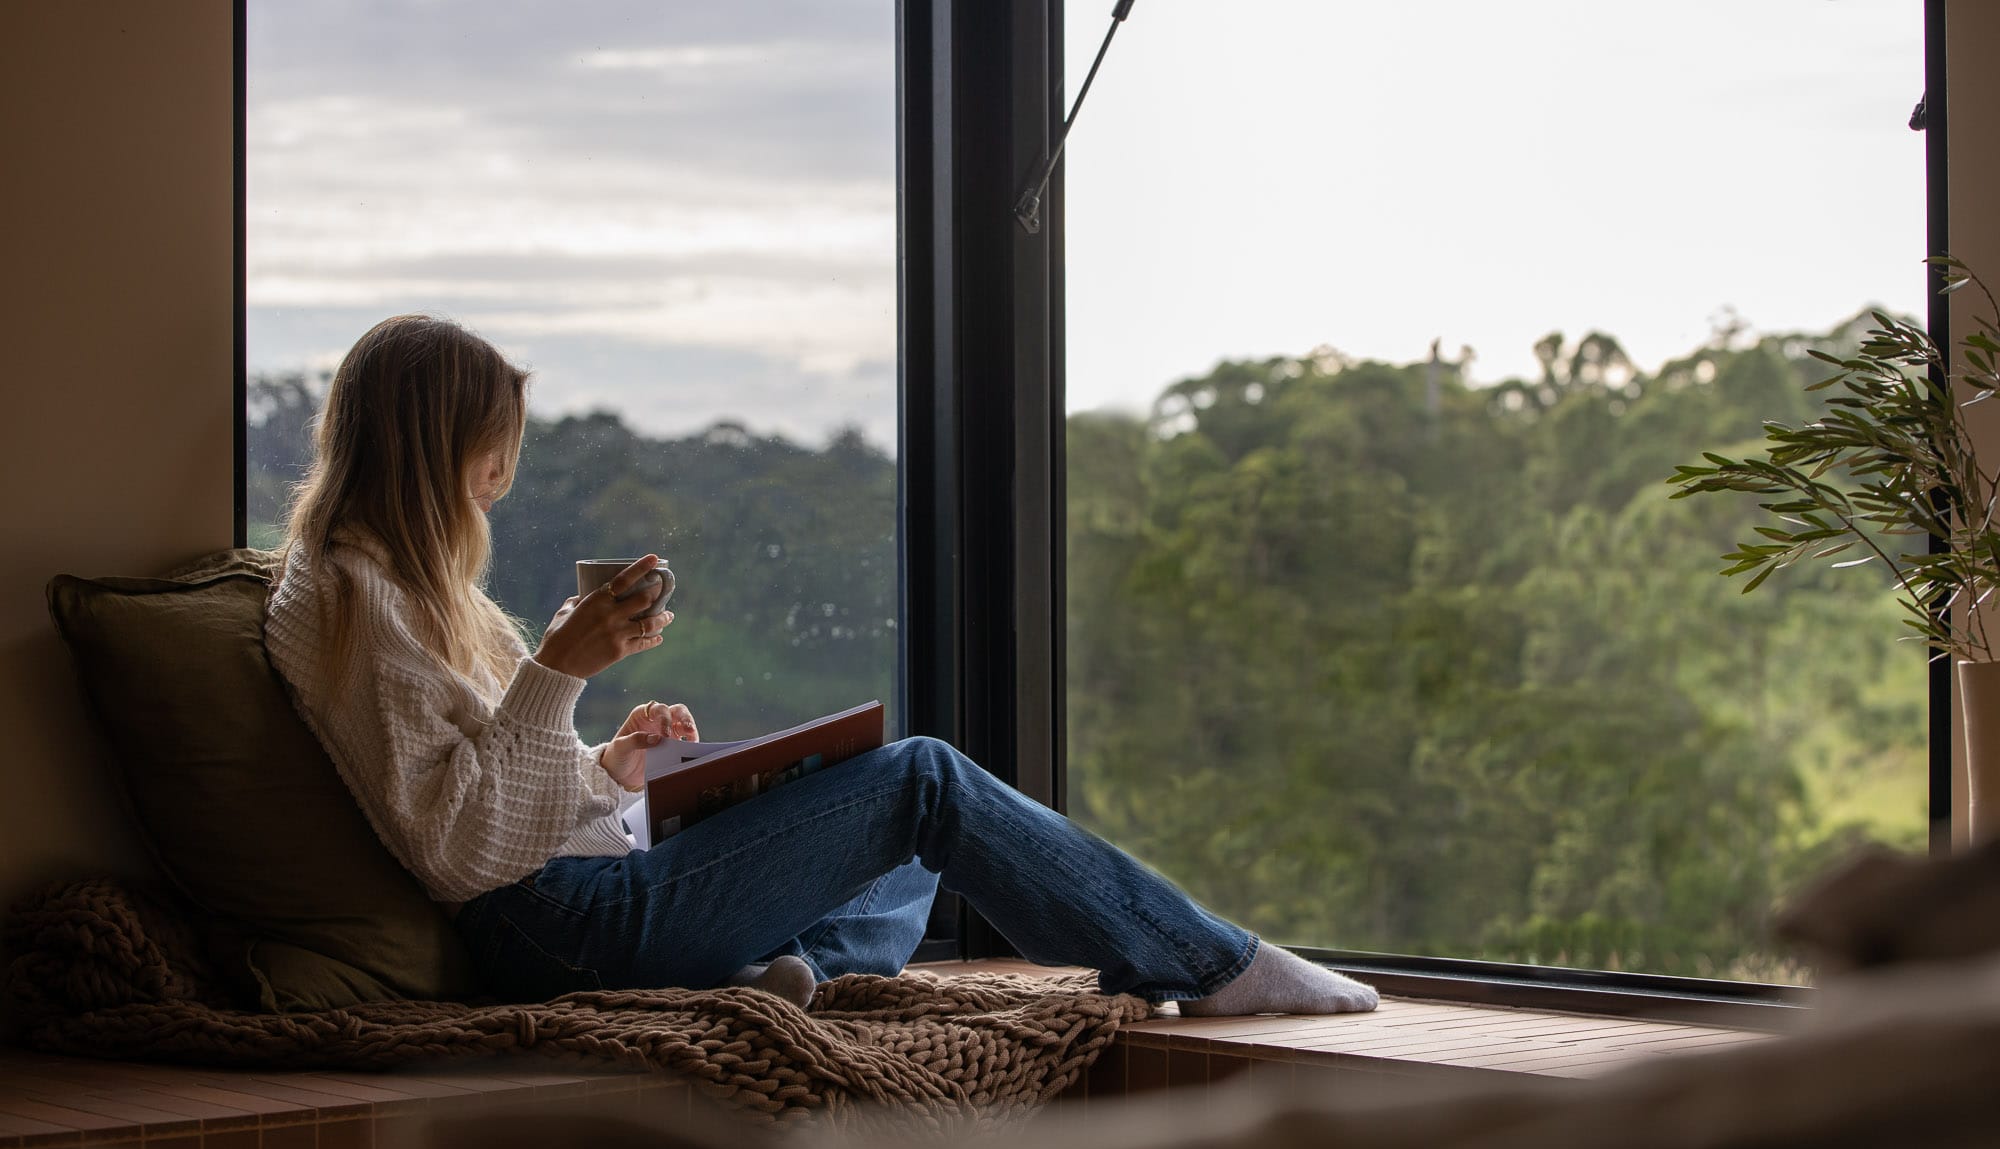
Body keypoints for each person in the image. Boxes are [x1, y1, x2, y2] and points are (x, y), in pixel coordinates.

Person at [264, 314, 1379, 1018]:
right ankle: (1208, 961)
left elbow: (500, 782)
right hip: (551, 924)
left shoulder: (424, 591)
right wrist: (558, 669)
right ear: (432, 449)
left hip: (578, 888)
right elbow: (459, 847)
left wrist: (611, 765)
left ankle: (772, 974)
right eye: (488, 461)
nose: (497, 487)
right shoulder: (349, 601)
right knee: (926, 781)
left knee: (902, 851)